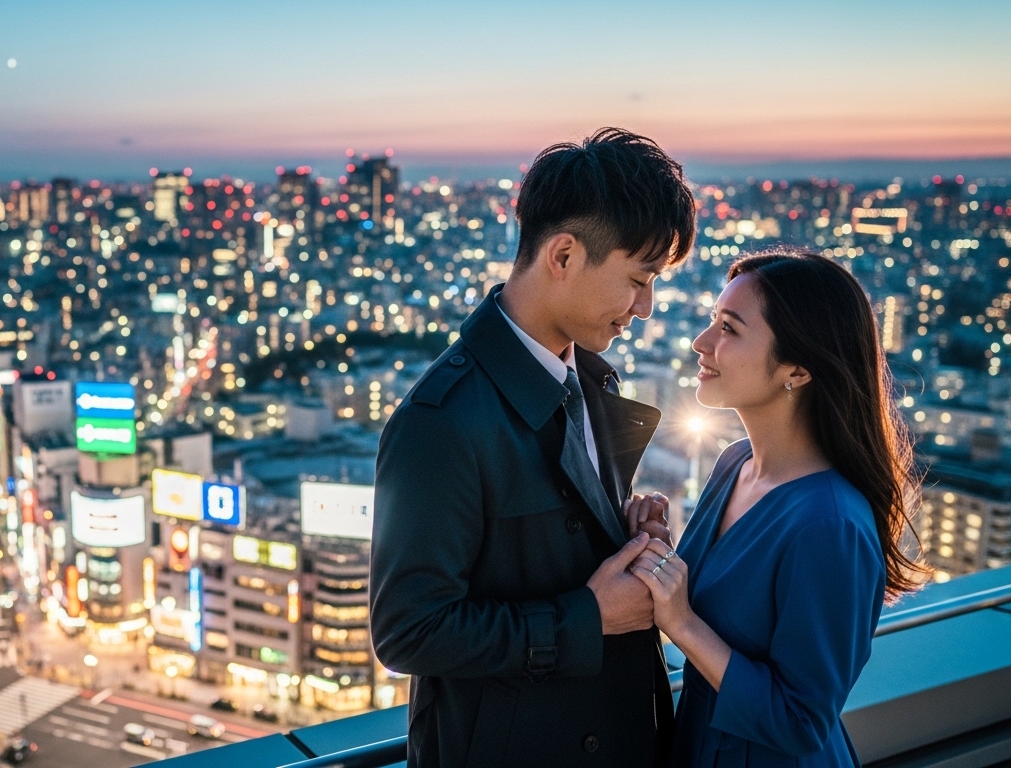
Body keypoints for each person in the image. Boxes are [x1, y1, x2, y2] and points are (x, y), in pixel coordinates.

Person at [369, 127, 696, 767]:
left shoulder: (588, 381)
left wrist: (622, 537)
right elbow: (409, 629)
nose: (647, 307)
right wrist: (587, 618)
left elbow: (547, 549)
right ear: (565, 255)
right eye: (638, 279)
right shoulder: (443, 422)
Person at [629, 251, 926, 766]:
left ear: (798, 368)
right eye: (711, 321)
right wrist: (662, 554)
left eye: (730, 328)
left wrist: (681, 623)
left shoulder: (829, 524)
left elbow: (802, 722)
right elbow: (730, 596)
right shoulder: (734, 463)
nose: (702, 343)